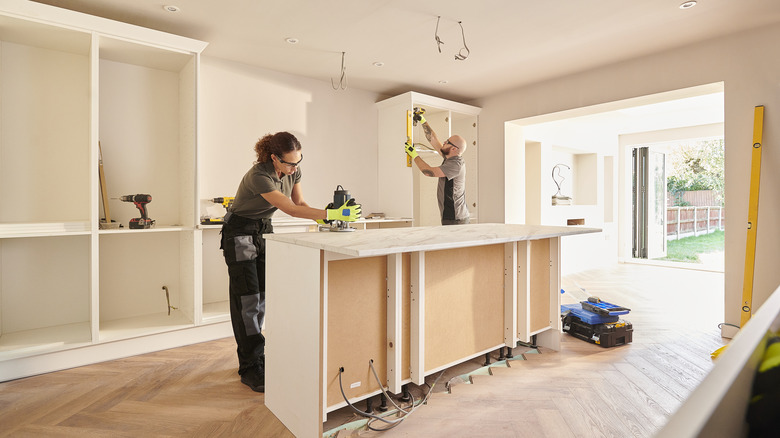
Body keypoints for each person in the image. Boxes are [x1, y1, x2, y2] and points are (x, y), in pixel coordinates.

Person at [220, 131, 361, 392]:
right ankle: (249, 367)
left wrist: (326, 218)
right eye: (289, 163)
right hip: (239, 232)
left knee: (262, 296)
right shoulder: (258, 176)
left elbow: (301, 202)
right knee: (246, 300)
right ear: (274, 158)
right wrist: (331, 213)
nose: (294, 168)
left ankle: (257, 357)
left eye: (298, 161)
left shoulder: (294, 172)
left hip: (263, 229)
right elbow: (290, 209)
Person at [404, 113, 470, 225]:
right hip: (452, 216)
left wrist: (414, 155)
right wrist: (422, 120)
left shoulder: (455, 164)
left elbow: (429, 172)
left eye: (447, 142)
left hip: (455, 218)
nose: (444, 142)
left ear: (454, 148)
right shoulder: (449, 157)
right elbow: (433, 140)